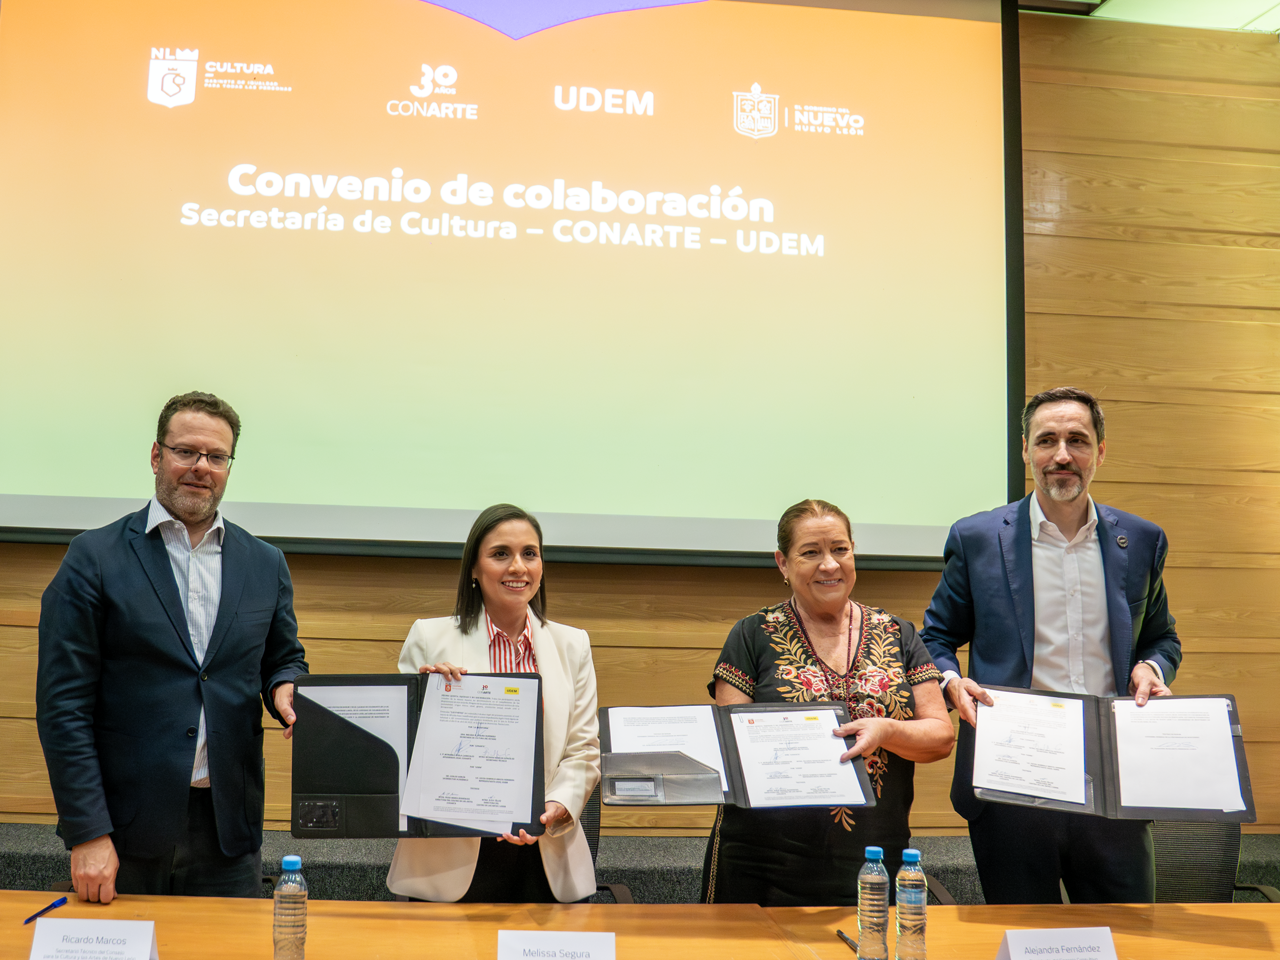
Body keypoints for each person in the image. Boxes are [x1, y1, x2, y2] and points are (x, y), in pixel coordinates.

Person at [36, 391, 308, 903]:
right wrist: (88, 833)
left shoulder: (265, 562)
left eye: (217, 456)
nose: (201, 467)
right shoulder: (93, 557)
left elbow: (282, 657)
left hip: (228, 833)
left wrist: (285, 686)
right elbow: (62, 707)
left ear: (228, 467)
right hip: (123, 832)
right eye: (186, 451)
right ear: (157, 455)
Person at [921, 386, 1182, 904]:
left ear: (1100, 451)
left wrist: (1151, 667)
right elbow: (936, 636)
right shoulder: (978, 539)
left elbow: (1161, 637)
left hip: (1113, 780)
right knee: (1023, 932)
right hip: (1013, 779)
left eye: (1077, 440)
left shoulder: (1141, 540)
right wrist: (951, 681)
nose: (1062, 455)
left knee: (1129, 933)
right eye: (1046, 440)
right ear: (1025, 450)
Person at [701, 499, 954, 906]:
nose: (829, 565)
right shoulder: (751, 635)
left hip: (875, 862)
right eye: (810, 552)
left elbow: (941, 737)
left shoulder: (899, 633)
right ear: (783, 563)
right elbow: (732, 750)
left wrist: (886, 730)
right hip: (764, 866)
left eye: (840, 549)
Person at [386, 504, 600, 903]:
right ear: (474, 567)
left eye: (529, 553)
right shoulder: (430, 639)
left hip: (545, 855)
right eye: (501, 554)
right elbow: (401, 751)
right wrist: (425, 705)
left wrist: (555, 807)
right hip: (447, 864)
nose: (518, 566)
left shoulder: (573, 645)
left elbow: (583, 751)